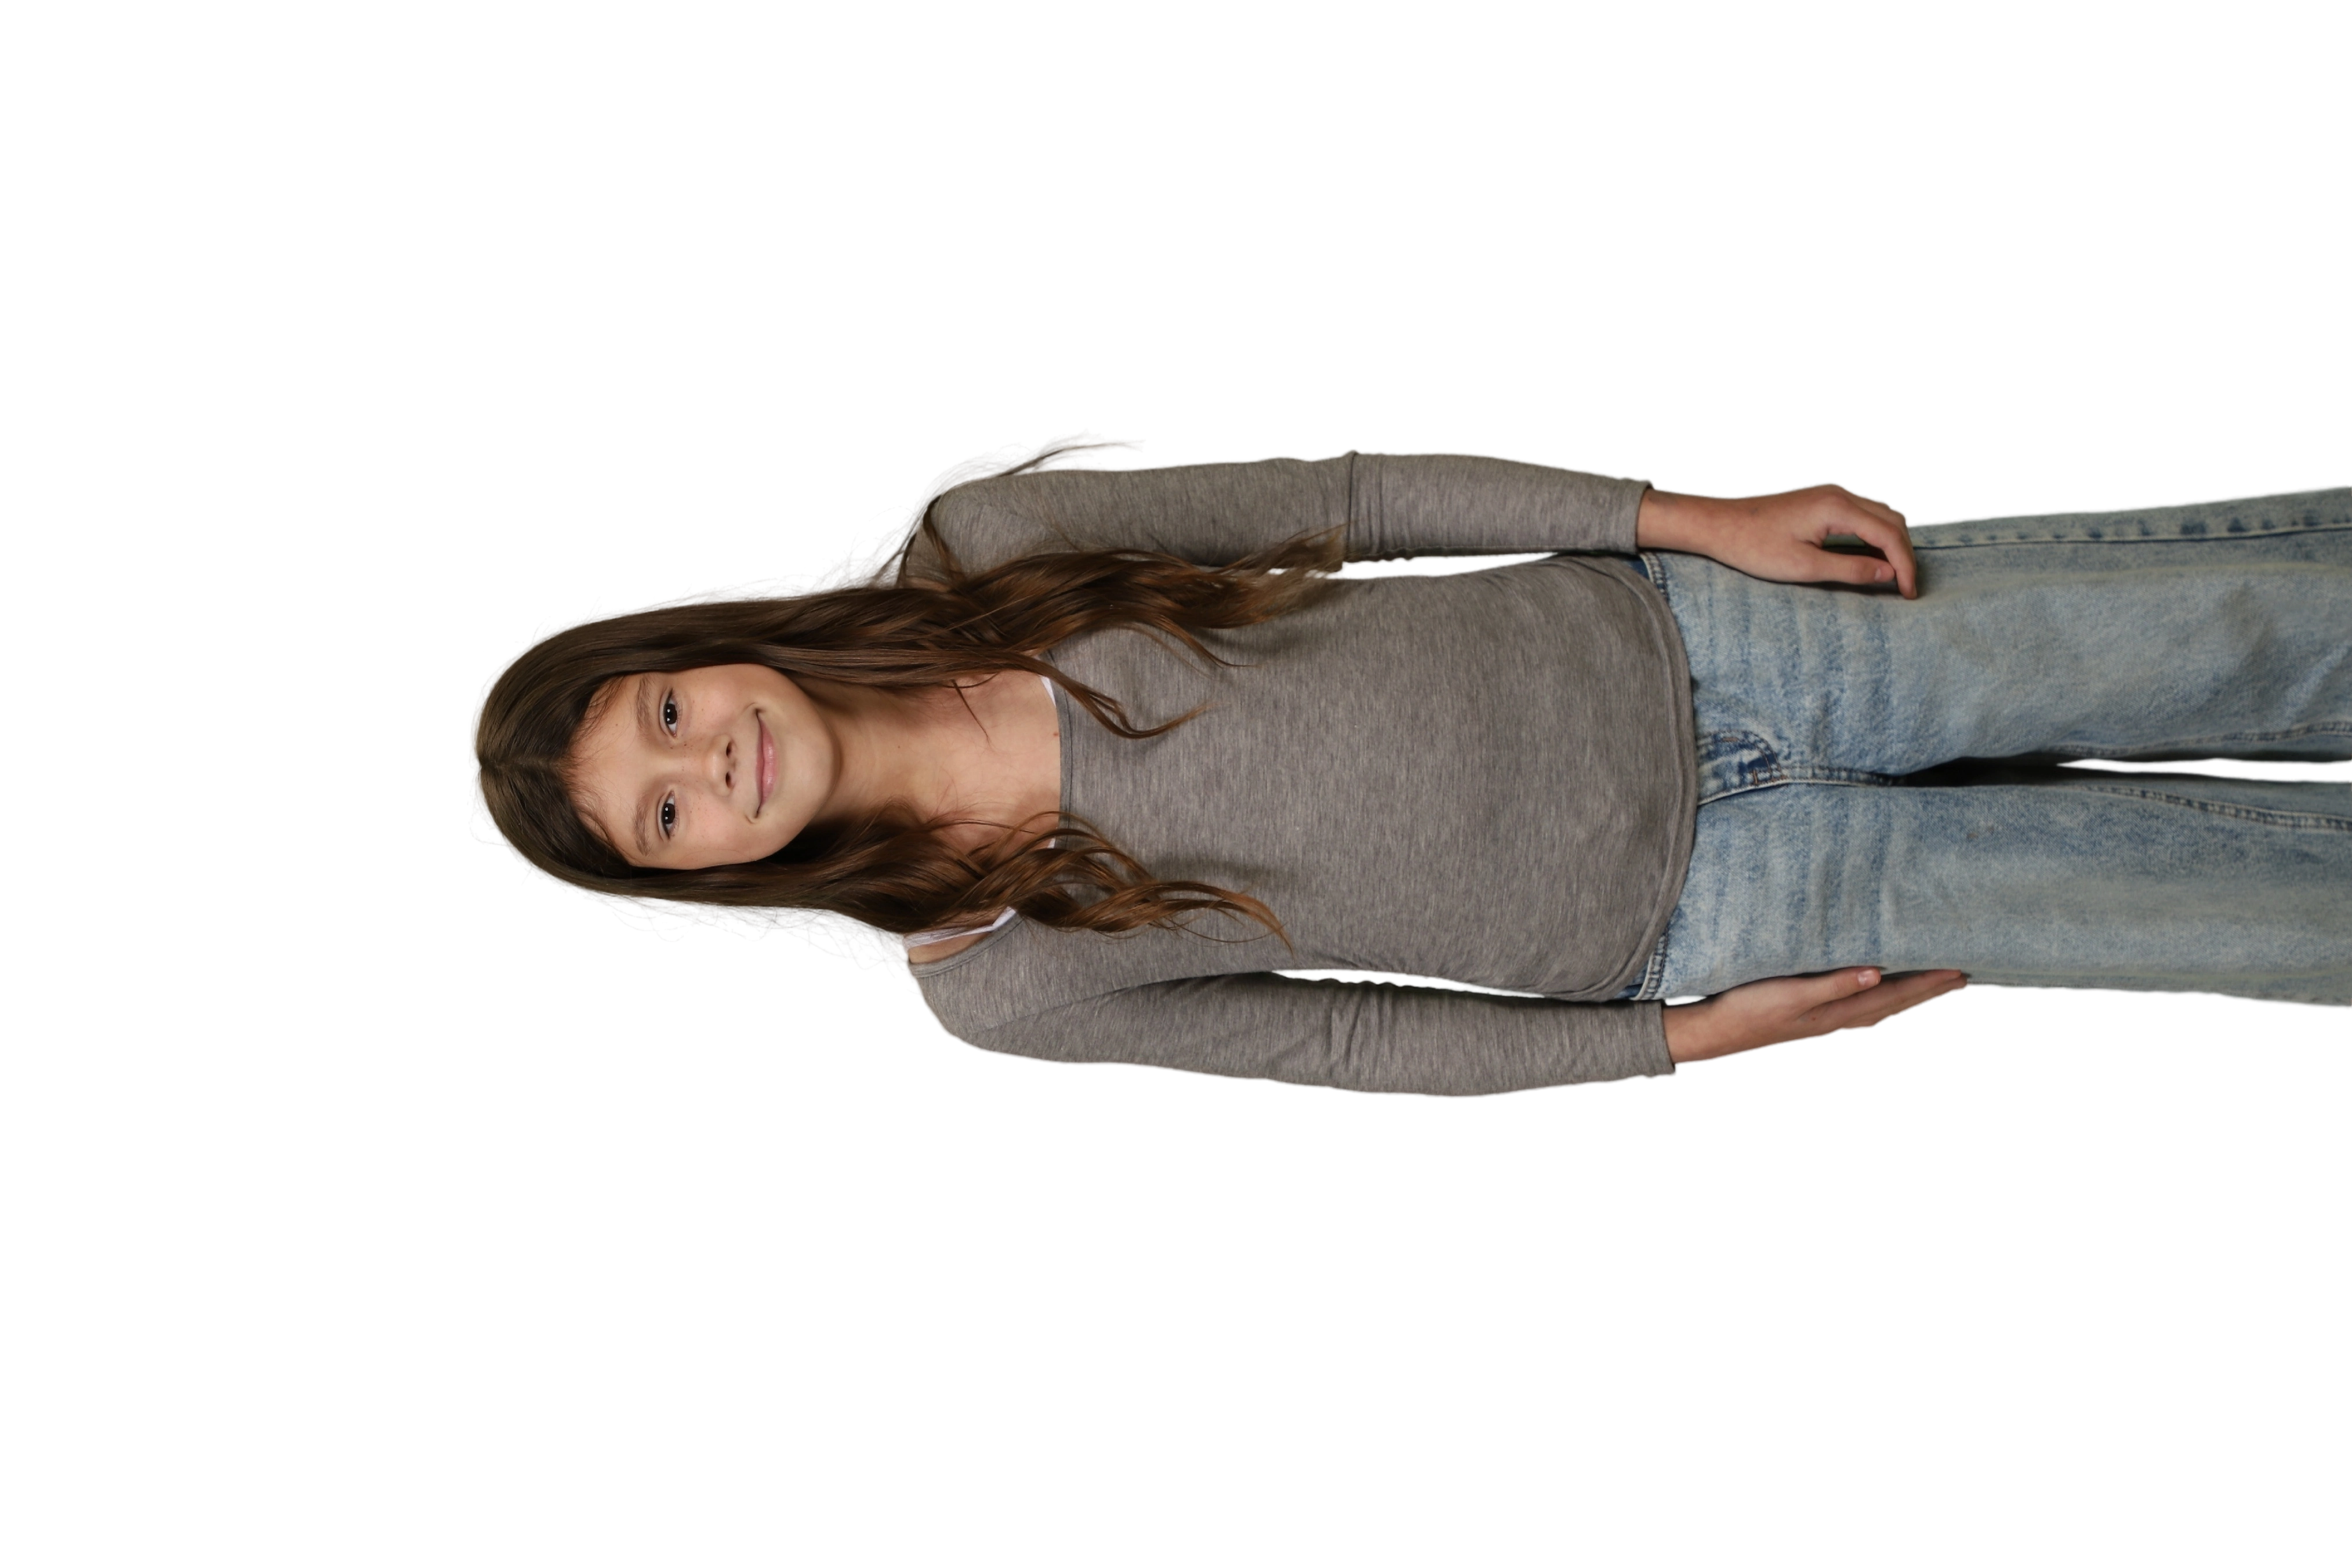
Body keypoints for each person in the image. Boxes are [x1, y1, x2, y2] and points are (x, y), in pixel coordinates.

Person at [464, 429, 2352, 1098]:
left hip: (1709, 642)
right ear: (701, 881)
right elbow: (1348, 1042)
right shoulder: (996, 982)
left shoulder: (994, 540)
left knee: (2245, 638)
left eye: (666, 715)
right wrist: (1681, 1042)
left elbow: (1362, 503)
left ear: (698, 647)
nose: (713, 764)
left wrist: (1683, 517)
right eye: (666, 815)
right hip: (1715, 909)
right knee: (2235, 910)